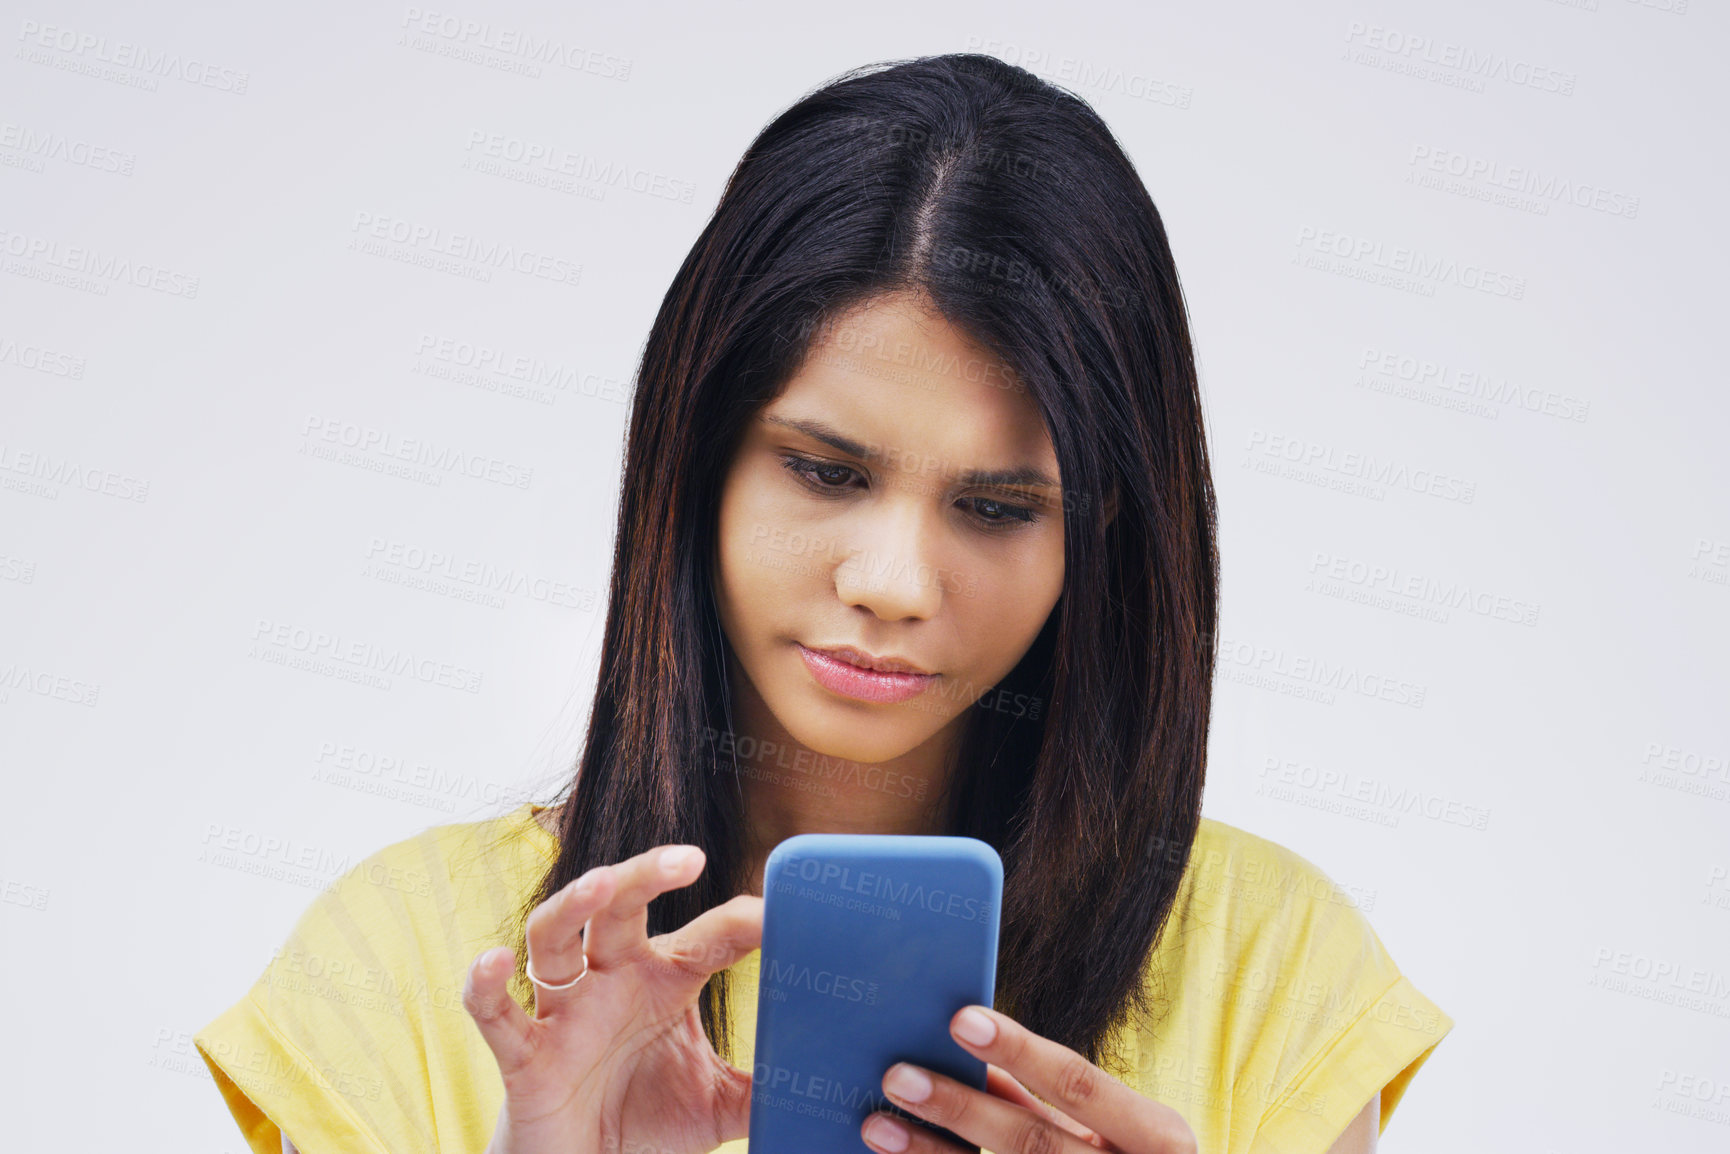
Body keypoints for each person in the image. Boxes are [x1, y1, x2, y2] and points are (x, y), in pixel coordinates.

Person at [195, 53, 1452, 1154]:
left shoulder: (1273, 965)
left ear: (1101, 531)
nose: (893, 584)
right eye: (826, 470)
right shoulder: (403, 958)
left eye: (1000, 505)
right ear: (693, 459)